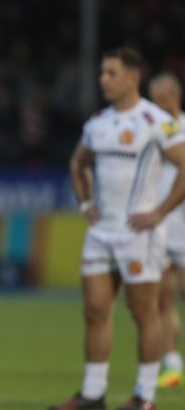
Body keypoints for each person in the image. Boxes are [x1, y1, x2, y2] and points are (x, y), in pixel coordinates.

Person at [50, 48, 185, 410]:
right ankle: (93, 394)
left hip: (138, 234)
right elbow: (78, 163)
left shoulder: (156, 121)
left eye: (110, 73)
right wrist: (84, 203)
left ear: (131, 77)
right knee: (95, 310)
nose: (102, 80)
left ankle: (144, 396)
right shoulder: (98, 123)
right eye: (102, 73)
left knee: (144, 312)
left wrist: (159, 211)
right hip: (101, 233)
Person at [149, 72, 185, 389]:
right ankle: (172, 363)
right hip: (160, 224)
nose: (158, 105)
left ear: (175, 97)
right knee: (162, 298)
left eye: (162, 99)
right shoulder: (151, 131)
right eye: (153, 99)